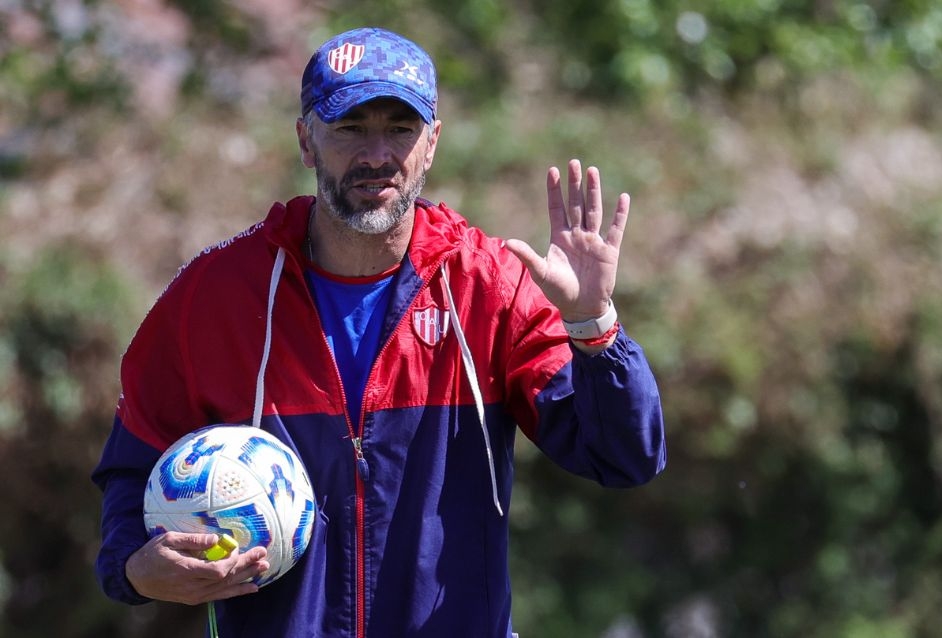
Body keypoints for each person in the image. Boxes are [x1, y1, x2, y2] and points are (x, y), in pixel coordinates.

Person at [92, 26, 666, 638]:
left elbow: (624, 456)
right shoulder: (214, 296)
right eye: (349, 128)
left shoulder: (490, 287)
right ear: (306, 140)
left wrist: (593, 327)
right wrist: (136, 568)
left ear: (432, 143)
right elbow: (132, 472)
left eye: (399, 129)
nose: (375, 155)